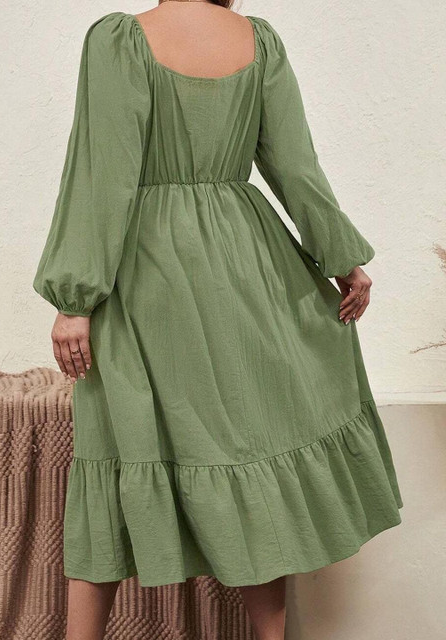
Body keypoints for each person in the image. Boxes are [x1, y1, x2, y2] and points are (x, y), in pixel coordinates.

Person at [32, 2, 404, 639]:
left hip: (148, 270)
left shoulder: (122, 39)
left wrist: (75, 298)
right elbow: (295, 164)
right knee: (250, 450)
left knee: (115, 451)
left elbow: (104, 171)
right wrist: (342, 256)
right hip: (247, 264)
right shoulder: (258, 39)